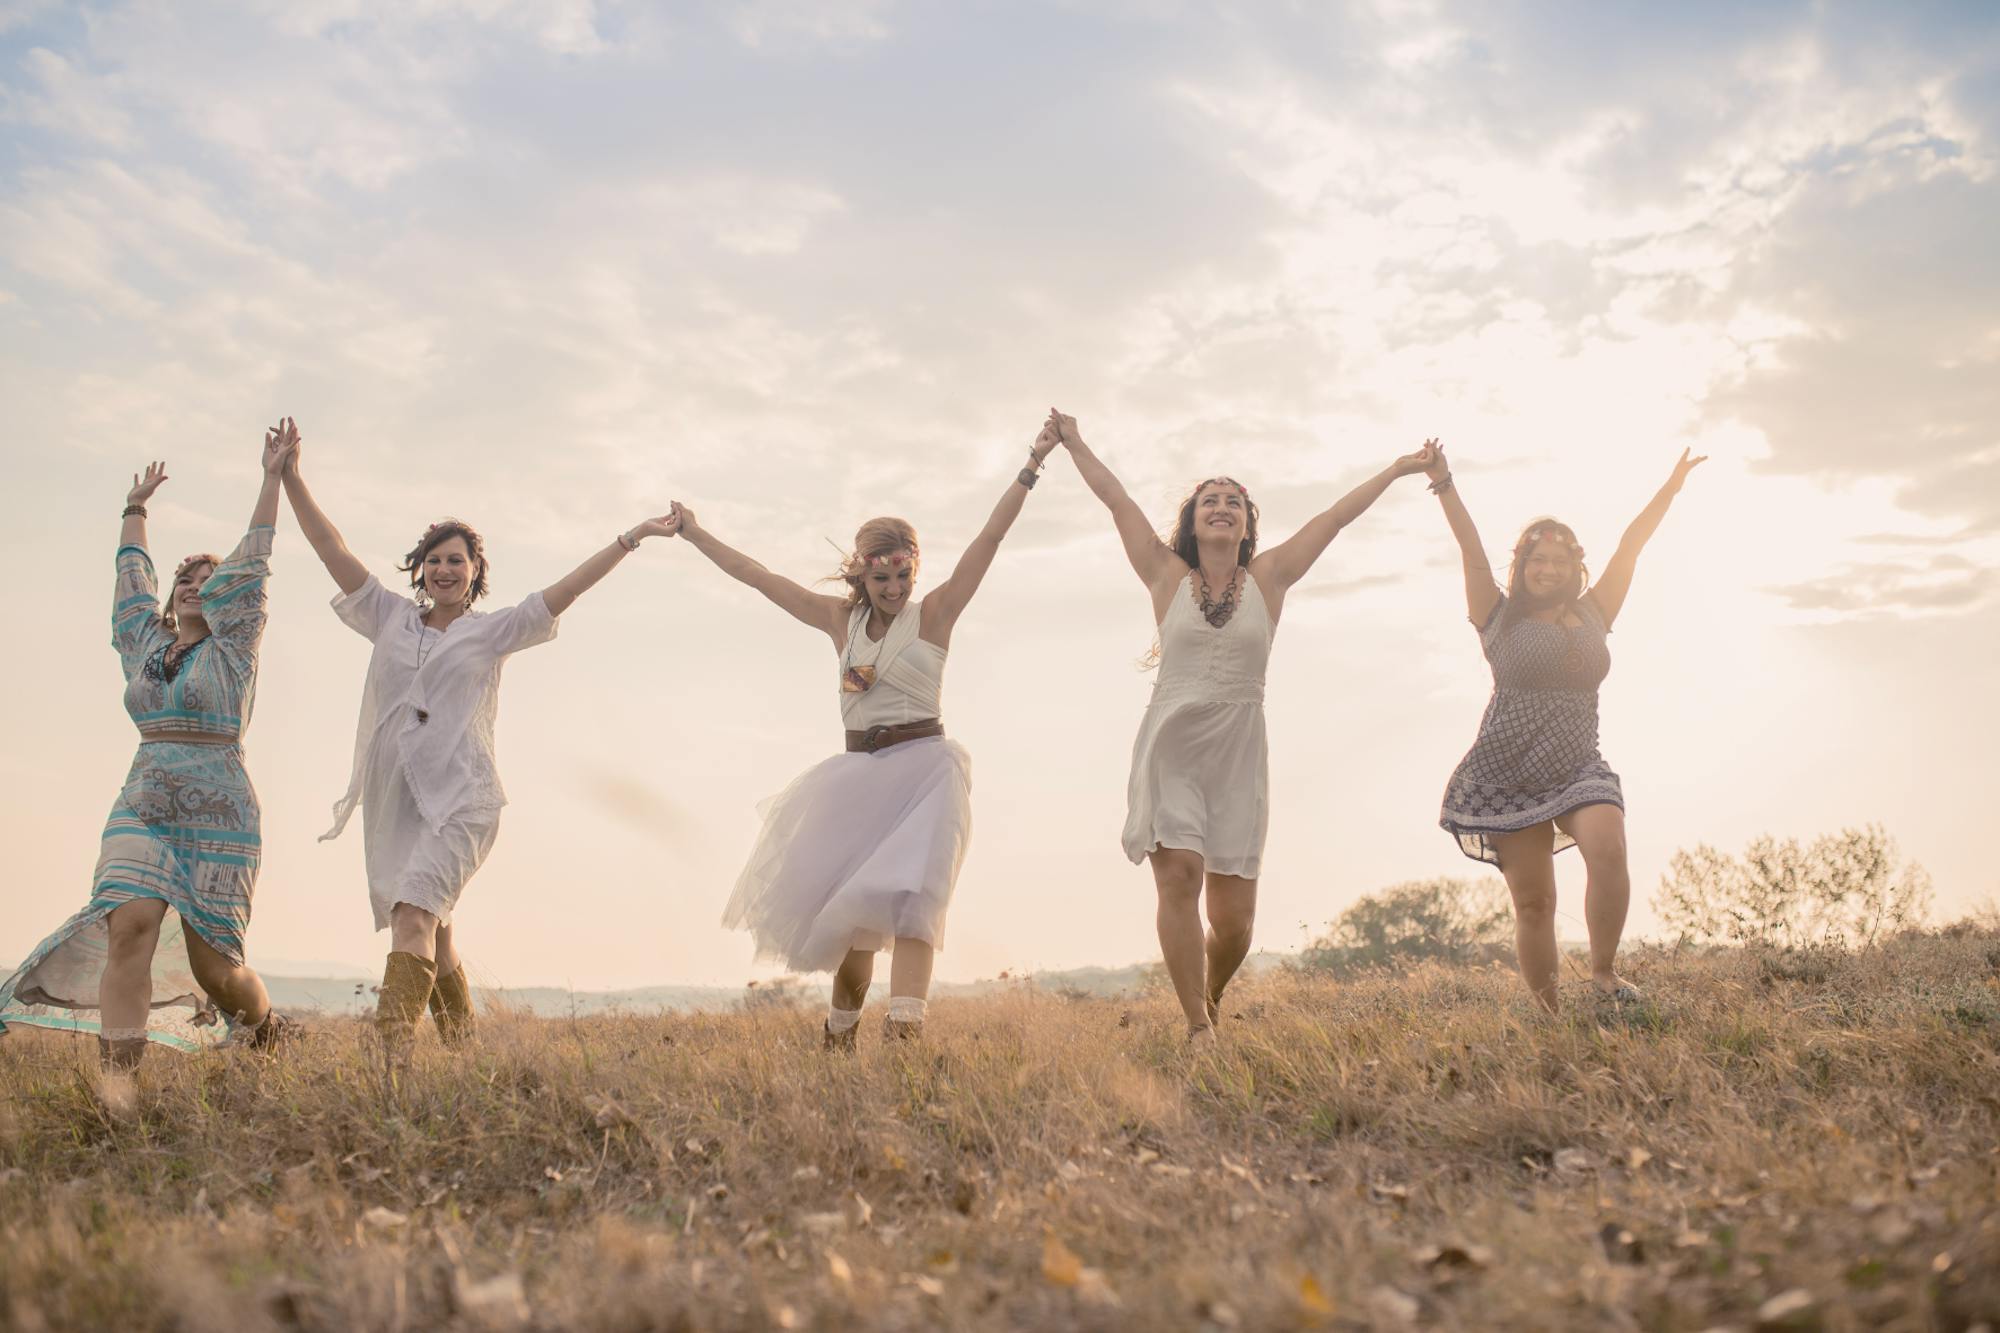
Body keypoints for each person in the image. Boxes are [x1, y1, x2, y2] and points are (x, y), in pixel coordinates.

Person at [280, 432, 678, 1052]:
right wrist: (290, 477)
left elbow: (568, 589)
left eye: (456, 560)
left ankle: (390, 1062)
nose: (444, 569)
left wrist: (632, 537)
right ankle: (465, 1053)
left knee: (413, 915)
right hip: (396, 801)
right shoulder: (389, 616)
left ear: (474, 572)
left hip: (462, 799)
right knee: (435, 935)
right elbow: (330, 547)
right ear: (420, 569)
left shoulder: (493, 631)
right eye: (434, 560)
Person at [677, 420, 1061, 1046]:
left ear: (914, 570)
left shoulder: (935, 614)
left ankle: (905, 1031)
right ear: (862, 574)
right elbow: (755, 574)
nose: (894, 589)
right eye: (882, 579)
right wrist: (694, 532)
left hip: (926, 771)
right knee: (855, 924)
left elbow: (989, 538)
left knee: (916, 902)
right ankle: (839, 1033)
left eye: (903, 576)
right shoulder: (840, 621)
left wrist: (1031, 466)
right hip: (857, 778)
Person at [1054, 410, 1434, 1039]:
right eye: (1210, 500)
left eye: (1233, 501)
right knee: (1179, 878)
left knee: (1234, 925)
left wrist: (1396, 470)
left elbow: (1334, 518)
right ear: (1192, 521)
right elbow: (1116, 498)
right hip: (1173, 745)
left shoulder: (1270, 578)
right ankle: (1198, 1030)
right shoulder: (1164, 574)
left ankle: (1209, 994)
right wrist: (1074, 441)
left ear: (1247, 524)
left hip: (1238, 754)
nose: (1222, 507)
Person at [1, 422, 300, 1068]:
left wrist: (272, 478)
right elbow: (132, 581)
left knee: (217, 970)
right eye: (185, 577)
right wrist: (134, 510)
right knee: (129, 925)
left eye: (209, 578)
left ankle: (266, 1026)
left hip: (219, 814)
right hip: (143, 803)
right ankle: (119, 1089)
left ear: (228, 599)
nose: (195, 583)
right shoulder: (144, 643)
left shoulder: (234, 648)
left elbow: (254, 558)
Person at [1425, 441, 1706, 1009]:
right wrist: (1444, 482)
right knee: (1535, 904)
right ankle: (1549, 1017)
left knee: (1608, 846)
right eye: (1537, 560)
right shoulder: (1498, 617)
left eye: (1559, 561)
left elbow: (1630, 547)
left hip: (1579, 763)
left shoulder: (1595, 612)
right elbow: (1471, 550)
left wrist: (1670, 490)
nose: (1548, 569)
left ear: (1575, 567)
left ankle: (1604, 975)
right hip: (1507, 771)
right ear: (1522, 566)